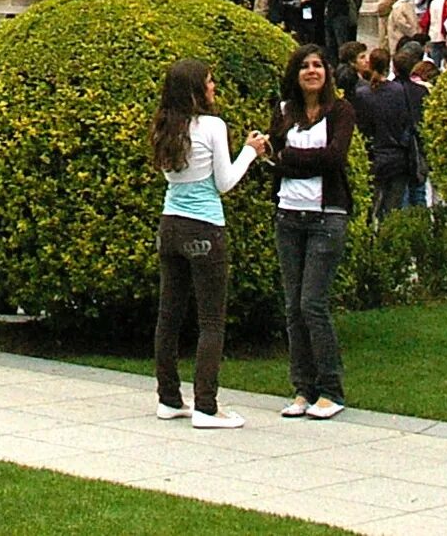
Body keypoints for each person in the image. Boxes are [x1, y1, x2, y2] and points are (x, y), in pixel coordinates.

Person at [150, 59, 263, 431]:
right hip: (205, 227)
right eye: (210, 82)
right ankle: (206, 405)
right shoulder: (212, 126)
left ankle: (169, 397)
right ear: (197, 89)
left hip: (170, 225)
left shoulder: (164, 127)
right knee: (211, 321)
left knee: (169, 316)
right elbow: (225, 181)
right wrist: (250, 151)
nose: (214, 87)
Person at [268, 46, 352, 421]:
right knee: (292, 308)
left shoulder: (341, 112)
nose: (312, 71)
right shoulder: (285, 113)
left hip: (326, 217)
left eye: (318, 65)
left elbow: (335, 158)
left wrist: (293, 161)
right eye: (304, 66)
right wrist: (292, 162)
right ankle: (302, 388)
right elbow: (273, 158)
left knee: (312, 304)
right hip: (289, 216)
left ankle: (330, 389)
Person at [350, 49, 428, 216]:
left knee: (371, 211)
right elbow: (407, 123)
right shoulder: (399, 91)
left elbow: (361, 128)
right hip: (398, 157)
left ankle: (373, 240)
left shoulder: (362, 94)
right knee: (393, 211)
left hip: (375, 157)